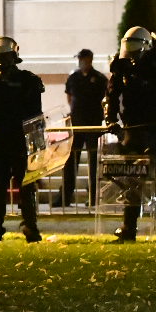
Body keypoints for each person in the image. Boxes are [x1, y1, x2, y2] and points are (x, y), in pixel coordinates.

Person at [104, 26, 156, 242]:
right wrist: (111, 119)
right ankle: (129, 227)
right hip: (134, 128)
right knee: (132, 179)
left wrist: (141, 78)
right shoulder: (121, 66)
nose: (132, 52)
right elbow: (112, 94)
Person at [0, 37, 46, 243]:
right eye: (0, 57)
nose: (3, 61)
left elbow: (36, 118)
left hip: (21, 142)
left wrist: (38, 147)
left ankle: (30, 226)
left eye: (6, 56)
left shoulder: (29, 81)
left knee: (26, 186)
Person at [57, 48, 108, 208]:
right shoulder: (73, 77)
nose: (81, 63)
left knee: (93, 162)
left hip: (93, 124)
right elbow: (70, 97)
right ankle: (65, 198)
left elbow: (104, 99)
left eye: (83, 60)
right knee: (71, 161)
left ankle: (94, 197)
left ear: (90, 60)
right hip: (77, 124)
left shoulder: (99, 78)